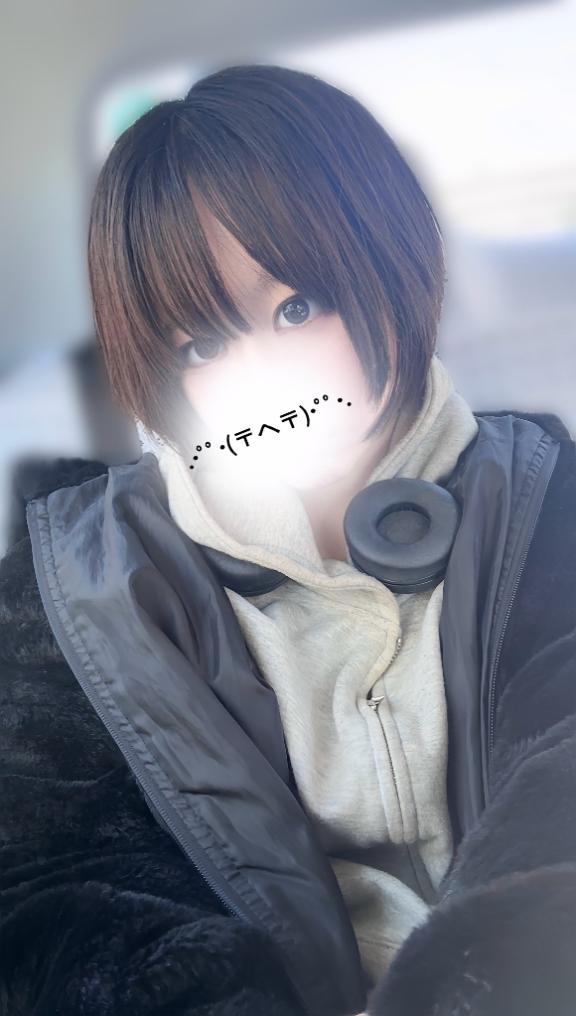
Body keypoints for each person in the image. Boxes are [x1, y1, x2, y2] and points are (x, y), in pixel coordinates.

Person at [1, 62, 576, 1016]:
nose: (264, 377)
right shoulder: (72, 593)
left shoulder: (548, 502)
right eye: (201, 345)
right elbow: (52, 888)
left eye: (297, 307)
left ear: (392, 261)